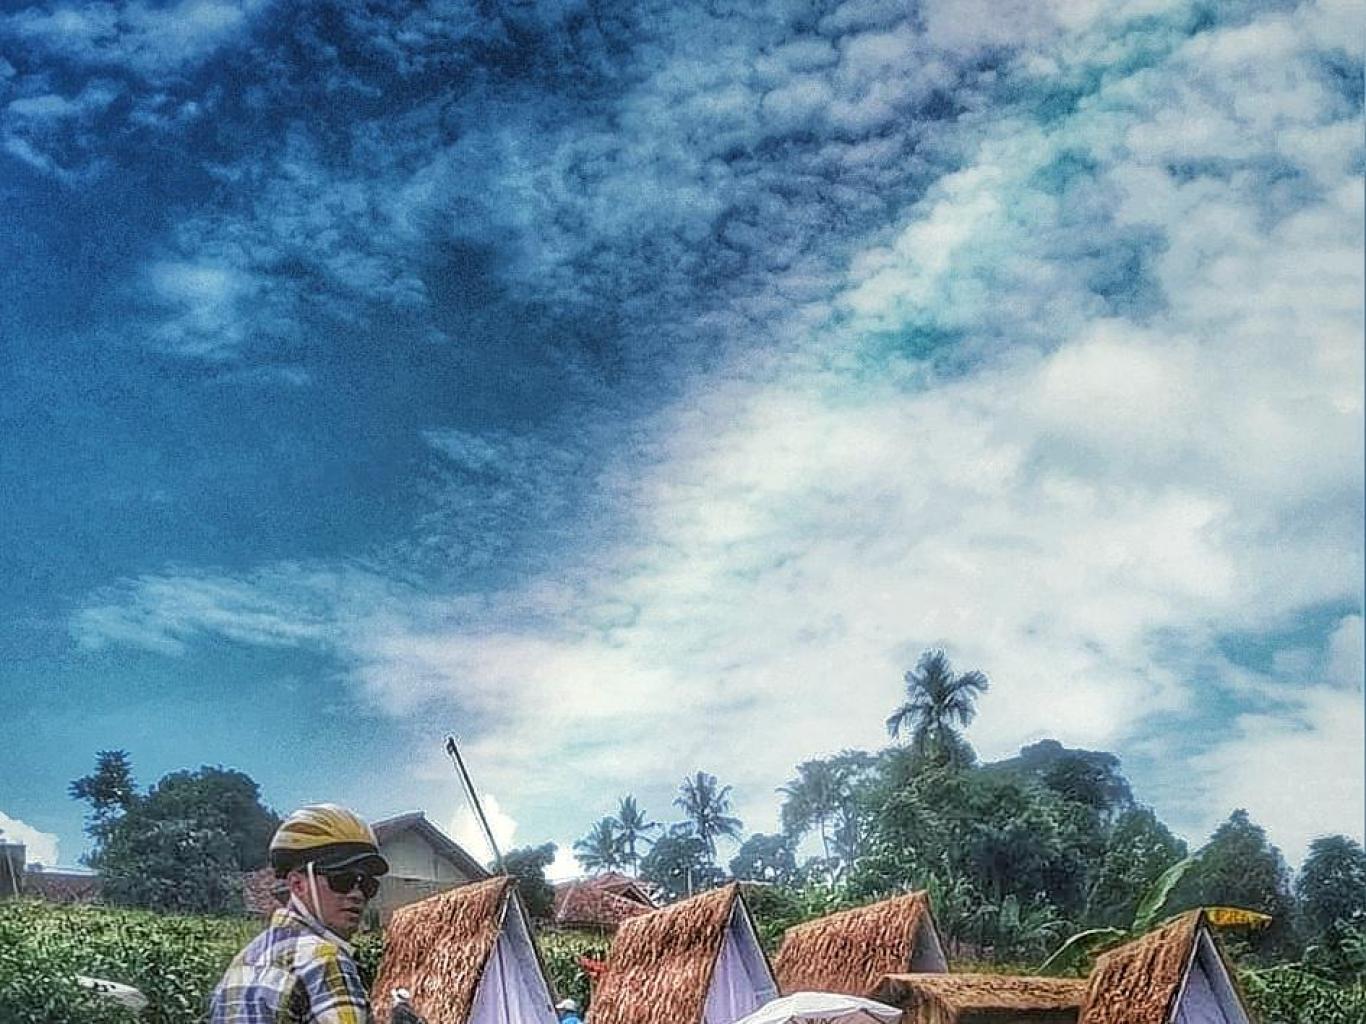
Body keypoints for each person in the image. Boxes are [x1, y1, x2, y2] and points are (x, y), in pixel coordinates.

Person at [211, 803, 389, 1023]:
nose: (357, 894)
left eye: (368, 885)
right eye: (342, 880)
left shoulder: (242, 962)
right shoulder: (323, 959)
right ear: (298, 884)